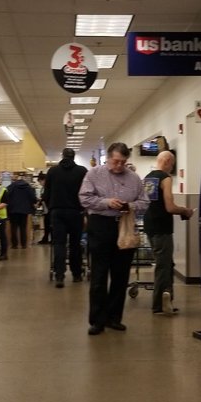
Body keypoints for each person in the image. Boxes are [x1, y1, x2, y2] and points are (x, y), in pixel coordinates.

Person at [78, 142, 149, 335]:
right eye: (116, 161)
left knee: (121, 275)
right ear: (108, 158)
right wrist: (106, 202)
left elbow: (145, 202)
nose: (119, 166)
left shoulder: (134, 178)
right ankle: (97, 320)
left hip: (124, 226)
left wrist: (130, 206)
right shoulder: (94, 174)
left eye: (123, 162)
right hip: (101, 225)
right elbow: (84, 198)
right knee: (99, 275)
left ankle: (114, 318)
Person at [142, 151, 194, 315]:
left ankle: (168, 299)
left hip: (150, 226)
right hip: (162, 228)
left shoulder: (148, 178)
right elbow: (170, 207)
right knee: (163, 266)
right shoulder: (165, 178)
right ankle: (158, 305)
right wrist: (185, 211)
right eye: (172, 164)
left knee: (166, 264)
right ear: (166, 161)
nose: (172, 167)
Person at [44, 148, 87, 288]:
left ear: (62, 156)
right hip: (76, 212)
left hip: (57, 212)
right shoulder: (82, 171)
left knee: (59, 244)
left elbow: (46, 193)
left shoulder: (52, 171)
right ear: (74, 157)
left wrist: (51, 207)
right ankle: (76, 274)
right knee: (75, 244)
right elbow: (87, 192)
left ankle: (59, 276)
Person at [4, 172, 36, 248]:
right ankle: (23, 244)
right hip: (25, 210)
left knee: (14, 227)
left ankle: (14, 245)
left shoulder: (11, 186)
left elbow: (6, 196)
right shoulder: (28, 187)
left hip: (13, 210)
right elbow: (33, 198)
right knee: (23, 227)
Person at [36, 172, 51, 244]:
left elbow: (45, 197)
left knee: (50, 225)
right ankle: (45, 238)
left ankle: (50, 239)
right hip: (46, 210)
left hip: (49, 209)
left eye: (40, 181)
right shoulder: (44, 188)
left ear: (44, 180)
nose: (40, 183)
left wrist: (40, 202)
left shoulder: (49, 187)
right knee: (47, 225)